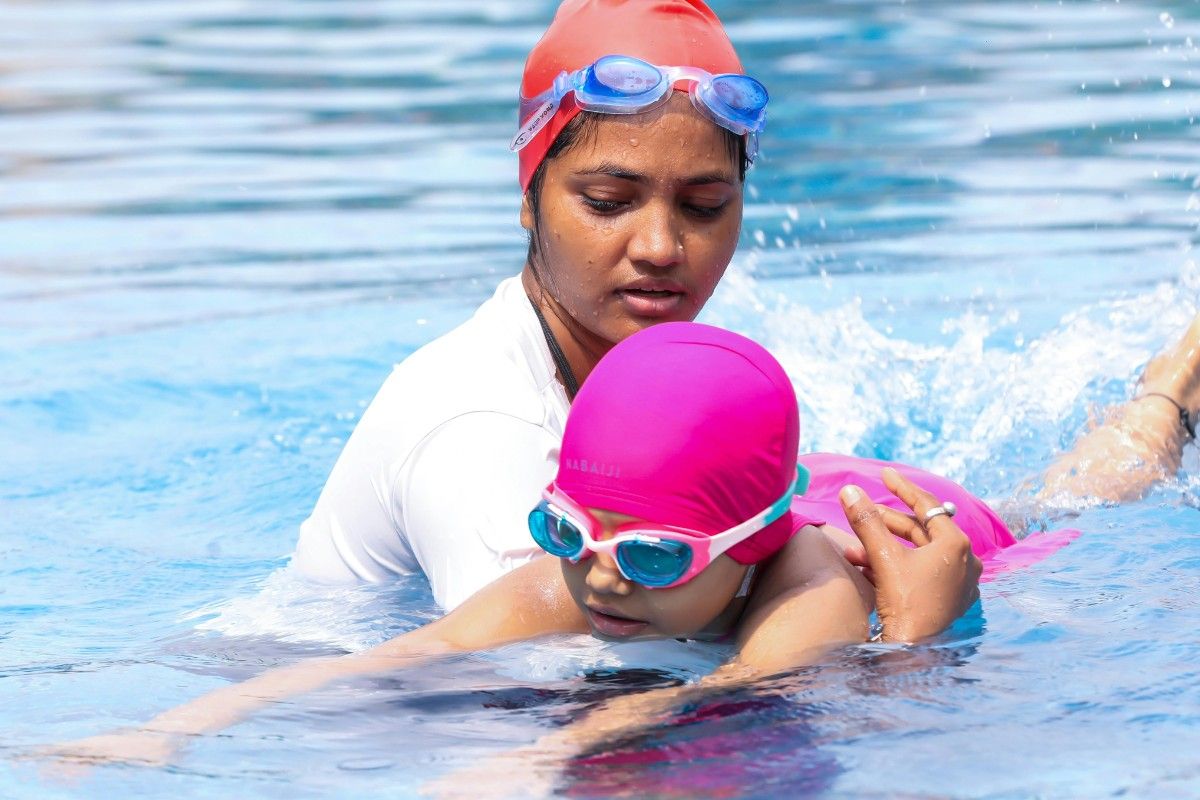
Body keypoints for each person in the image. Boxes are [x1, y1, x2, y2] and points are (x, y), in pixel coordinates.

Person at [40, 316, 1200, 780]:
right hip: (739, 477)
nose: (595, 573)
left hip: (925, 526)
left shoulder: (806, 592)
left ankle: (1170, 388)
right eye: (565, 528)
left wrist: (536, 757)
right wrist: (176, 723)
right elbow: (402, 654)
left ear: (749, 547)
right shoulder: (600, 556)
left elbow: (725, 695)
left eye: (646, 559)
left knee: (1075, 490)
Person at [287, 0, 984, 631]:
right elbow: (556, 712)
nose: (660, 248)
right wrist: (906, 645)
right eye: (608, 202)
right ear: (529, 198)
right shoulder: (485, 435)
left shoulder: (650, 383)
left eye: (704, 207)